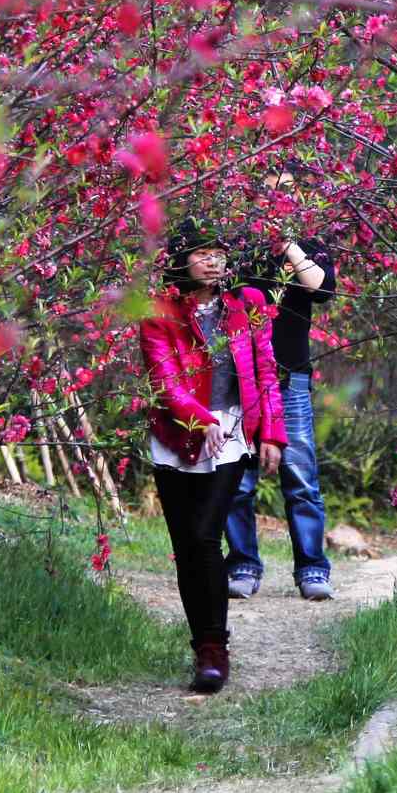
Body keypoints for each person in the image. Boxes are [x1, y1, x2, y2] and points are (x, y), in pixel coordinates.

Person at [138, 220, 285, 694]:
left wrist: (271, 434)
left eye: (220, 252)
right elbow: (165, 380)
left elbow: (265, 369)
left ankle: (214, 648)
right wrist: (200, 420)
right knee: (186, 546)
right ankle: (201, 643)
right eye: (203, 252)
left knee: (205, 535)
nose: (214, 260)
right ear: (182, 259)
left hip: (232, 434)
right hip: (179, 434)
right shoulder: (159, 312)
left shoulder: (248, 306)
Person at [224, 216, 336, 601]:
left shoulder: (309, 243)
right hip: (238, 376)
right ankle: (242, 563)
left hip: (290, 377)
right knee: (237, 479)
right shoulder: (236, 242)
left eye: (286, 190)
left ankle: (312, 568)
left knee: (301, 477)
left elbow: (322, 290)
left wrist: (289, 244)